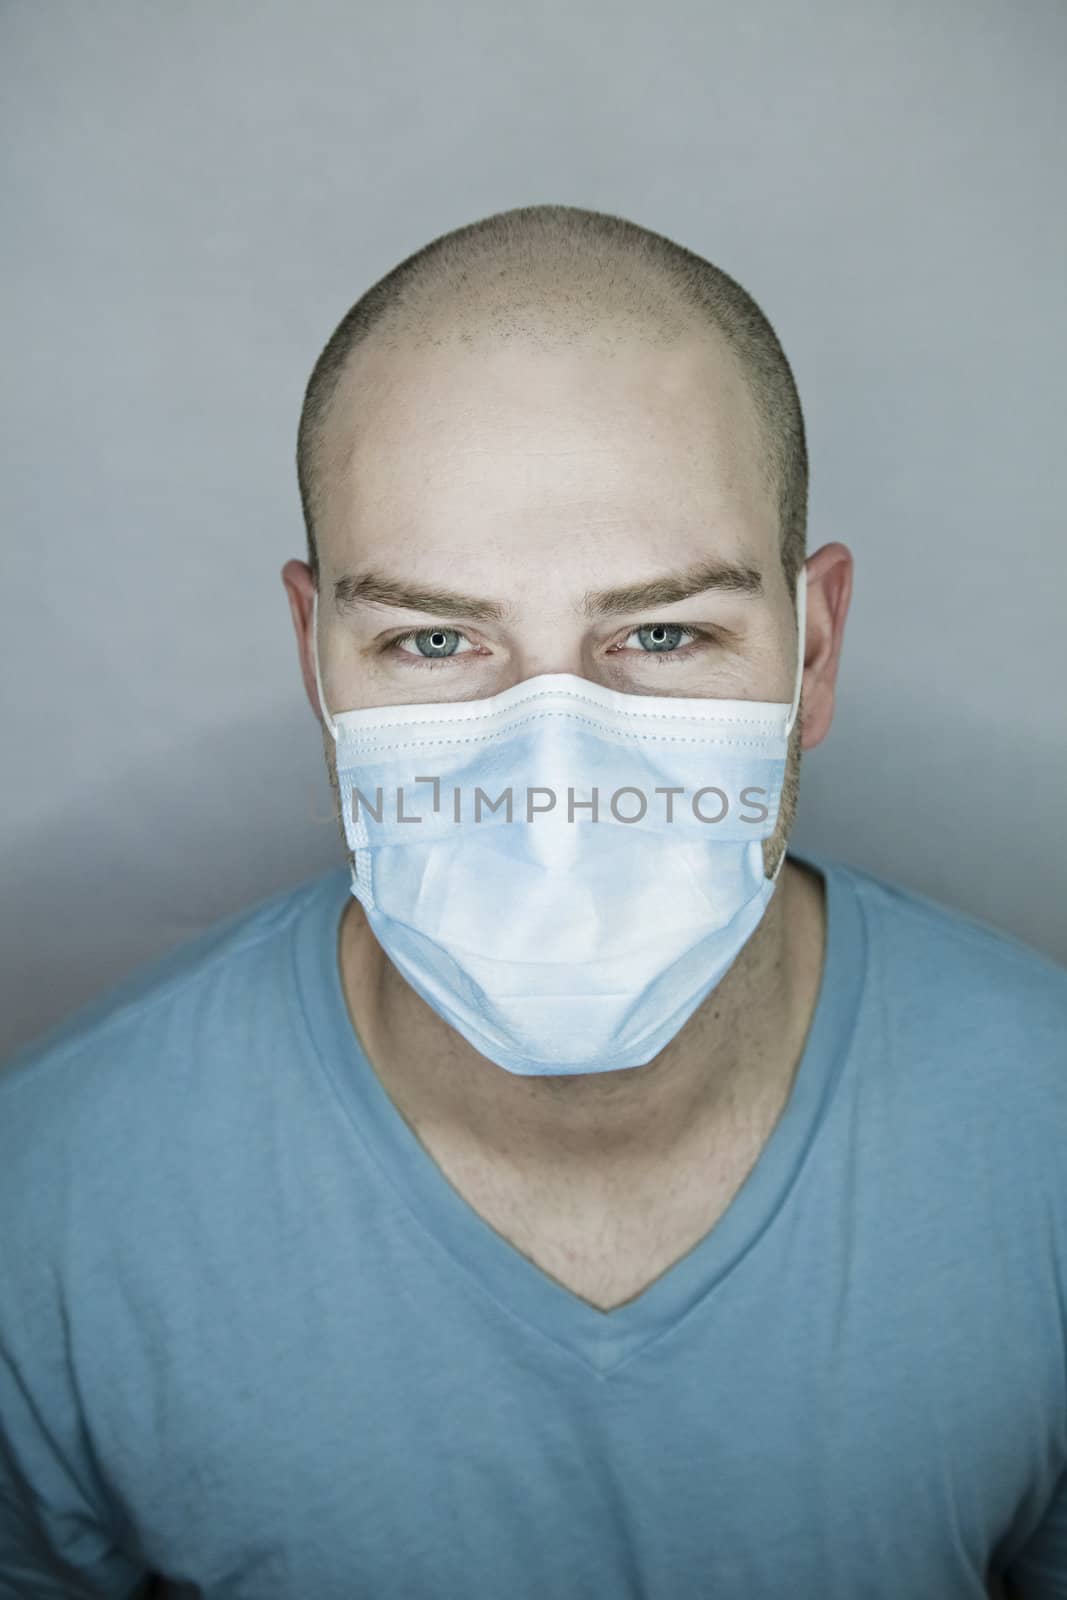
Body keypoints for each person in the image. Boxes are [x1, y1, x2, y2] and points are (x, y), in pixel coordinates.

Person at [1, 203, 1063, 1600]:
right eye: (435, 639)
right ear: (318, 662)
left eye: (665, 632)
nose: (553, 789)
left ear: (813, 653)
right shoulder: (46, 1205)